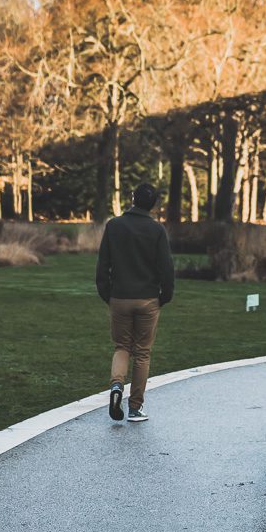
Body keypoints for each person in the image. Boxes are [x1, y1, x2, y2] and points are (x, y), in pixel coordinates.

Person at [95, 181, 175, 423]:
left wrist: (107, 293)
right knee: (142, 353)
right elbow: (166, 268)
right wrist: (165, 296)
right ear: (153, 204)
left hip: (119, 297)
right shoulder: (157, 230)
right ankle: (135, 407)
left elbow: (103, 265)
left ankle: (116, 386)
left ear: (132, 198)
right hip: (148, 299)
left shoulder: (114, 226)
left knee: (121, 347)